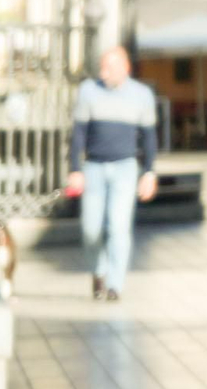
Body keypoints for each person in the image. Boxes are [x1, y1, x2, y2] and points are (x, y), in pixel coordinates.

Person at [66, 46, 158, 301]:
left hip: (125, 168)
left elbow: (149, 137)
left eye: (110, 68)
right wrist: (75, 169)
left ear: (125, 68)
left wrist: (149, 173)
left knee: (118, 226)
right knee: (90, 229)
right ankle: (98, 271)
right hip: (94, 167)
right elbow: (79, 134)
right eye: (103, 67)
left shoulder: (142, 95)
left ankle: (115, 284)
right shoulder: (88, 91)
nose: (104, 73)